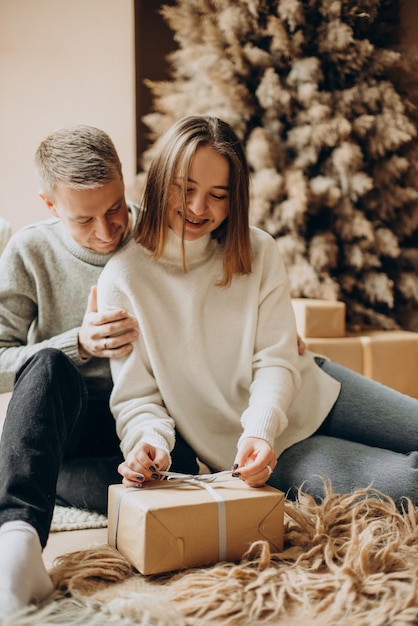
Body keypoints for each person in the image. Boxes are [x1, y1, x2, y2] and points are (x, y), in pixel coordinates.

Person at [97, 114, 418, 509]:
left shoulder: (258, 249)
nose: (199, 207)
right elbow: (135, 397)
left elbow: (277, 359)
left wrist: (261, 426)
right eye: (186, 188)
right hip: (257, 448)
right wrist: (149, 442)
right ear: (162, 180)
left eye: (218, 194)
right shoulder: (123, 276)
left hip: (311, 390)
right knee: (409, 485)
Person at [0, 125, 143, 618]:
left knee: (167, 477)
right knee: (49, 362)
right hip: (67, 414)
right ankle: (17, 542)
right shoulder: (29, 250)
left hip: (148, 422)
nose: (107, 232)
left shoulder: (159, 237)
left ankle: (52, 474)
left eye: (116, 208)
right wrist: (76, 343)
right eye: (85, 220)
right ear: (49, 204)